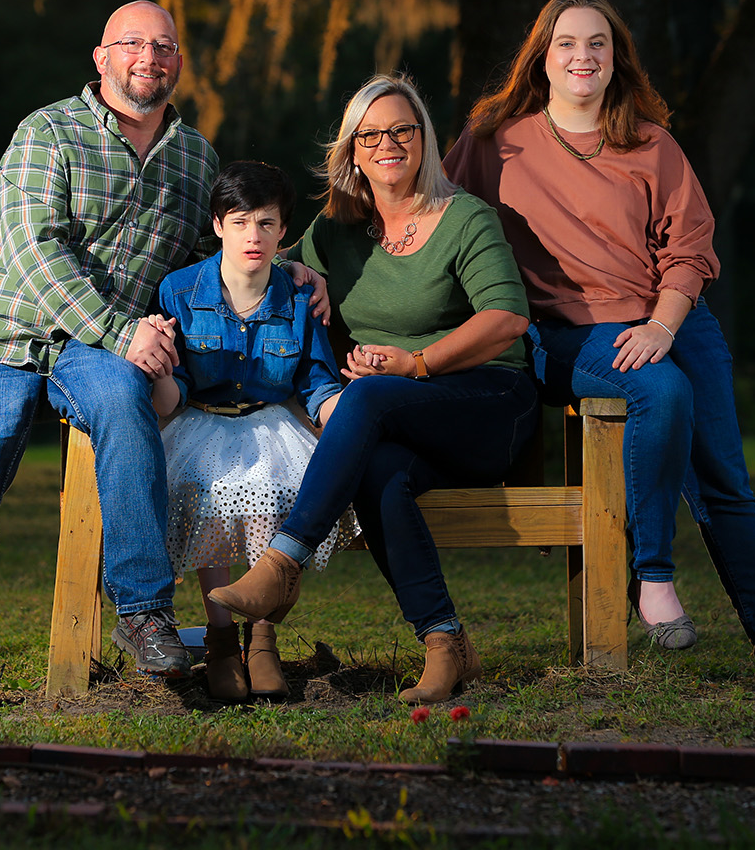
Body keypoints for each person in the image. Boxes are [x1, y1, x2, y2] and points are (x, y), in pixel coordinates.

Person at [443, 0, 755, 689]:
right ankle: (652, 574)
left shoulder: (651, 143)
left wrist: (661, 323)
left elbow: (692, 246)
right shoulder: (494, 140)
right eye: (566, 43)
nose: (582, 57)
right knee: (660, 389)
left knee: (726, 483)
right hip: (572, 332)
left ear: (617, 58)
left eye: (598, 44)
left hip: (674, 319)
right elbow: (428, 214)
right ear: (542, 56)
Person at [0, 0, 224, 709]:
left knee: (122, 399)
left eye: (164, 45)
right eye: (132, 43)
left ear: (178, 61)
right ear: (101, 58)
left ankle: (142, 613)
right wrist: (124, 332)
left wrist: (296, 272)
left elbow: (211, 262)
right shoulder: (47, 132)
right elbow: (35, 250)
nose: (150, 57)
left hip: (98, 349)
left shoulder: (196, 157)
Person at [207, 73, 539, 705]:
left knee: (362, 398)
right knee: (378, 473)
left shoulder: (464, 217)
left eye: (402, 130)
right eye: (371, 134)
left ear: (423, 139)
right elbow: (266, 262)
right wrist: (300, 269)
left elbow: (507, 320)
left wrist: (416, 365)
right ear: (353, 150)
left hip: (488, 405)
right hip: (400, 422)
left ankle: (283, 564)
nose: (388, 143)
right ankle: (445, 643)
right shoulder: (340, 231)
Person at [151, 160, 358, 702]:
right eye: (240, 222)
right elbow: (172, 390)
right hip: (201, 419)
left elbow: (316, 382)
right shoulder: (179, 291)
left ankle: (262, 636)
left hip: (271, 421)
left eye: (266, 224)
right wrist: (151, 376)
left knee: (278, 491)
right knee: (209, 497)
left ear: (283, 232)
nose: (253, 237)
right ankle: (221, 639)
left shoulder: (297, 297)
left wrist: (346, 415)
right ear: (218, 224)